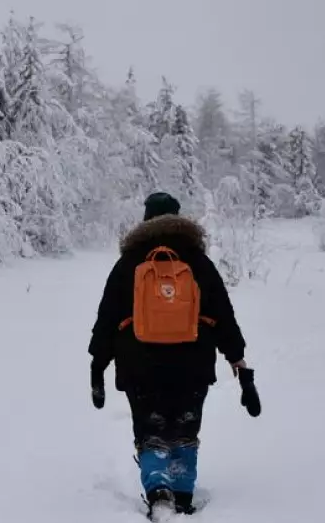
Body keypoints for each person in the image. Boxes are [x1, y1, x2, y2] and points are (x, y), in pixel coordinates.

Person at [87, 192, 253, 518]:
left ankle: (158, 490)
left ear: (146, 219)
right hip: (193, 363)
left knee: (151, 429)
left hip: (139, 364)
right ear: (179, 218)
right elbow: (222, 312)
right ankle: (182, 493)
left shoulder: (129, 261)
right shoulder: (197, 261)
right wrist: (237, 357)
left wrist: (98, 363)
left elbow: (107, 317)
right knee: (185, 428)